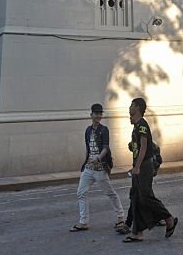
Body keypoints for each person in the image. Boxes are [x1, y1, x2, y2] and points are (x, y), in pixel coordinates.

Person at [123, 97, 177, 243]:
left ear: (138, 107)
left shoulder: (142, 125)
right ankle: (137, 232)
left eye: (131, 105)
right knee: (135, 197)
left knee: (145, 196)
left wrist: (137, 166)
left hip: (144, 166)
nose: (129, 108)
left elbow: (145, 147)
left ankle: (168, 218)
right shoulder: (136, 126)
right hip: (139, 165)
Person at [72, 103, 126, 233]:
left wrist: (99, 158)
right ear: (91, 115)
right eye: (96, 113)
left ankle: (120, 217)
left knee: (110, 193)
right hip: (89, 168)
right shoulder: (88, 130)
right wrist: (86, 162)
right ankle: (83, 222)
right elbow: (88, 148)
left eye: (100, 113)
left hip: (100, 168)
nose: (98, 116)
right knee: (81, 192)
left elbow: (106, 147)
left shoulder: (104, 129)